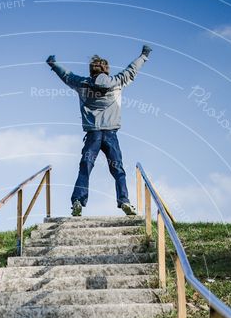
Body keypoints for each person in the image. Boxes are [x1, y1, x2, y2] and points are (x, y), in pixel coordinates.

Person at [46, 45, 152, 216]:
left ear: (91, 70)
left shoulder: (82, 84)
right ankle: (124, 200)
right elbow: (132, 70)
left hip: (93, 135)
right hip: (111, 135)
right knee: (118, 169)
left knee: (85, 167)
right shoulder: (117, 82)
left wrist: (53, 63)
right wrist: (144, 55)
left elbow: (66, 76)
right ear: (106, 70)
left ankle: (78, 200)